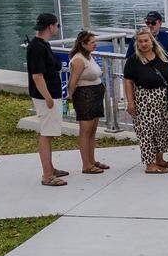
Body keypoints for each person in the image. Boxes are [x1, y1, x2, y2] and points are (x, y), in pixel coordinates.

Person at [123, 27, 168, 174]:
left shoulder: (162, 55)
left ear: (152, 41)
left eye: (146, 41)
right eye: (140, 42)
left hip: (165, 98)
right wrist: (130, 102)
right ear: (137, 44)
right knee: (147, 132)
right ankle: (150, 164)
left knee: (162, 130)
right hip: (146, 100)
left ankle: (159, 159)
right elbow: (128, 81)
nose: (143, 44)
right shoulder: (134, 60)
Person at [27, 13, 67, 186]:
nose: (57, 28)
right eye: (56, 25)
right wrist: (48, 97)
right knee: (47, 133)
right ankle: (47, 175)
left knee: (50, 132)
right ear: (50, 26)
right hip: (46, 95)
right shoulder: (37, 47)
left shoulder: (43, 45)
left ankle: (50, 167)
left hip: (51, 93)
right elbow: (37, 75)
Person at [67, 30, 108, 174]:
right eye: (92, 43)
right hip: (85, 96)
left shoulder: (89, 56)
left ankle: (92, 160)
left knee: (93, 130)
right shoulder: (78, 59)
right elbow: (73, 81)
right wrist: (70, 98)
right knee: (85, 131)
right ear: (83, 44)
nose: (95, 45)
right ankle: (86, 164)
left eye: (95, 42)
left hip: (95, 94)